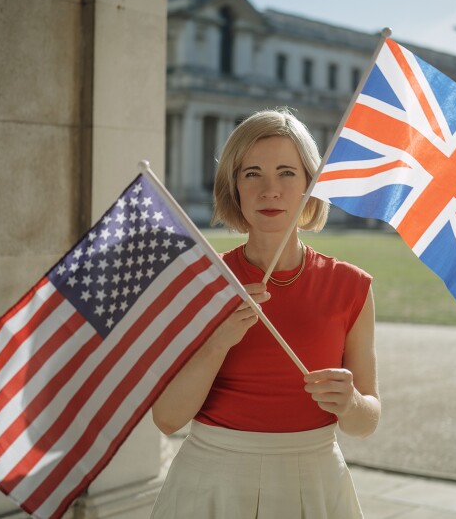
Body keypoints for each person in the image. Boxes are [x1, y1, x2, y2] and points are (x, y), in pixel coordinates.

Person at [150, 109, 380, 518]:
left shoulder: (352, 286)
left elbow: (366, 422)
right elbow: (167, 419)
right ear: (234, 187)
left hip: (315, 482)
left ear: (310, 184)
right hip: (211, 481)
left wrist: (350, 404)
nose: (270, 190)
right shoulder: (203, 281)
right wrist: (220, 339)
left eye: (287, 173)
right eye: (252, 173)